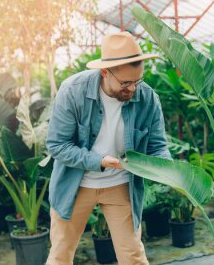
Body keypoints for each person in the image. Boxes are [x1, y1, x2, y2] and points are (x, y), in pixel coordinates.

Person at [45, 31, 172, 265]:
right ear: (105, 72)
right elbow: (57, 145)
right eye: (125, 83)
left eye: (137, 81)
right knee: (60, 256)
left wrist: (172, 174)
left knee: (133, 256)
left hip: (120, 184)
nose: (133, 89)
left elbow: (157, 146)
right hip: (75, 184)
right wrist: (99, 160)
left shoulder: (147, 98)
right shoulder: (73, 91)